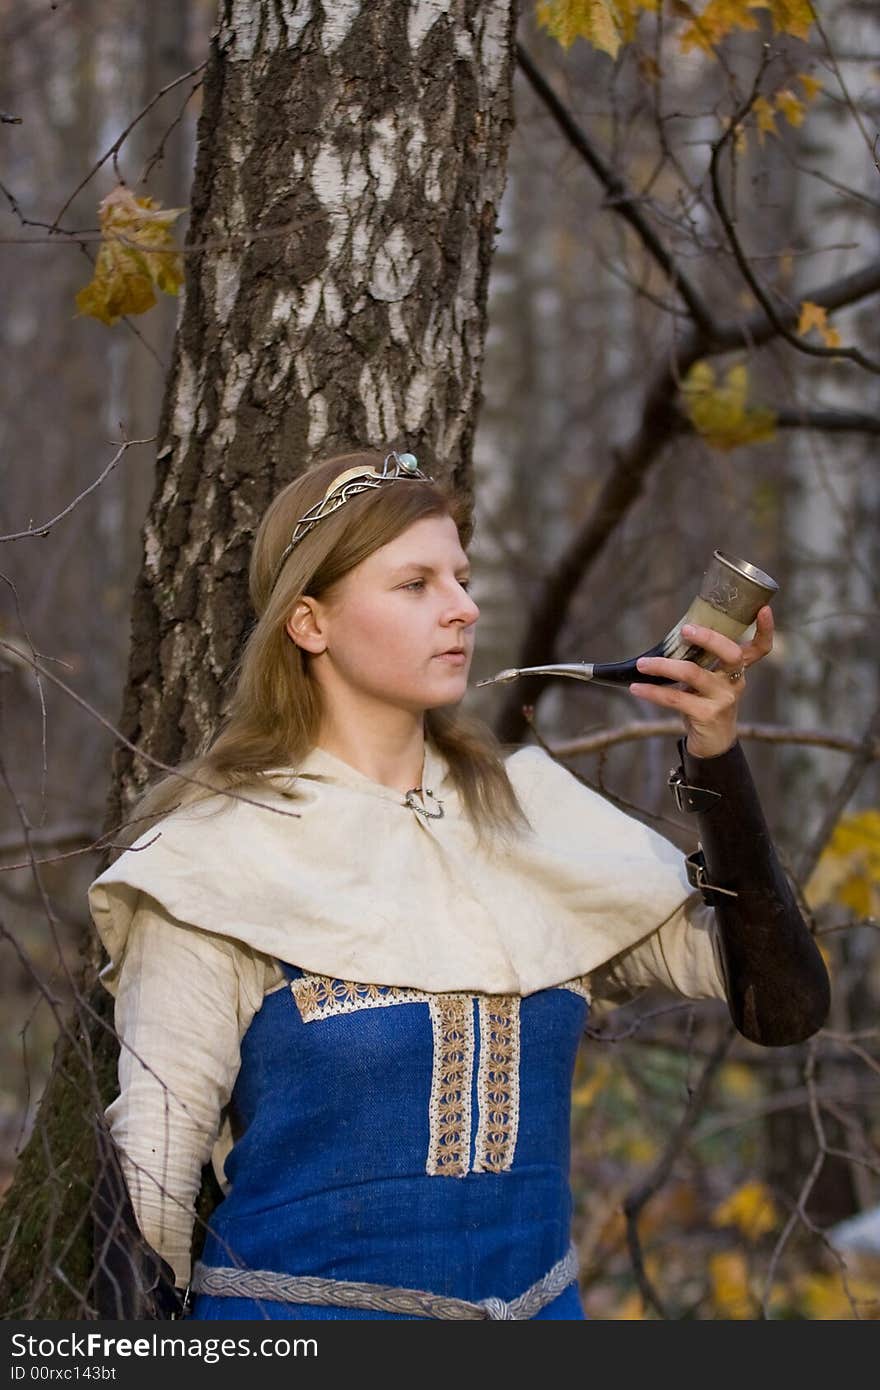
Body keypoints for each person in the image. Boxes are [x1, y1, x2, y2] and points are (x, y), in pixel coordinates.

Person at [87, 449, 829, 1321]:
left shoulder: (539, 820)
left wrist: (715, 750)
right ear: (310, 624)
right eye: (415, 584)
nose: (464, 608)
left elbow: (782, 1006)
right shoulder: (213, 859)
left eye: (462, 578)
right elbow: (153, 1178)